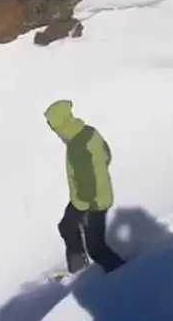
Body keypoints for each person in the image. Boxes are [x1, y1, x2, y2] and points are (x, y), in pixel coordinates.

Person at [44, 99, 125, 274]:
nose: (54, 131)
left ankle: (122, 273)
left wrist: (82, 205)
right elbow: (106, 155)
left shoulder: (77, 146)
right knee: (67, 226)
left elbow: (88, 179)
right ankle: (79, 265)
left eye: (53, 127)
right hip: (94, 196)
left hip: (91, 201)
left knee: (96, 248)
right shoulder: (88, 133)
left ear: (61, 125)